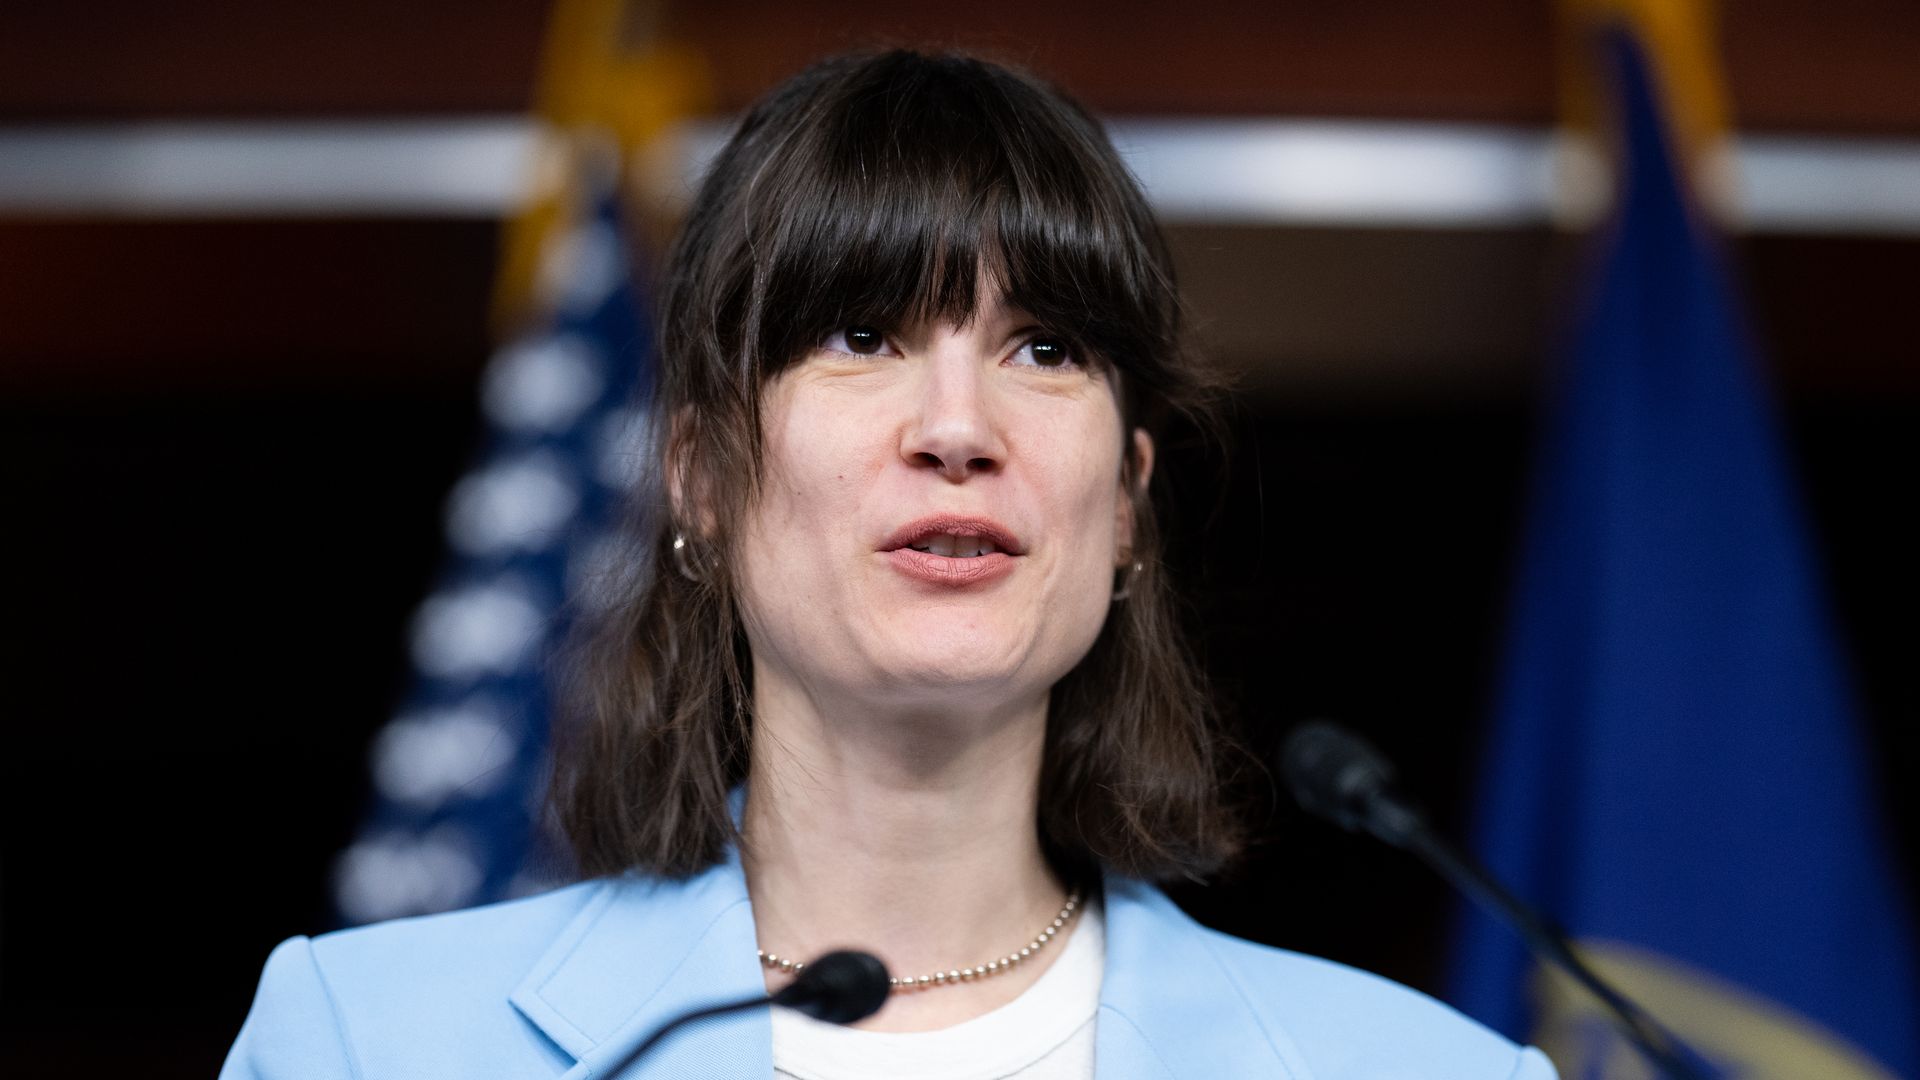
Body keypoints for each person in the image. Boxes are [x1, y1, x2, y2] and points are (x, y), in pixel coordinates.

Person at [222, 50, 1557, 1079]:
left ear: (1130, 505)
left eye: (1045, 348)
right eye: (862, 335)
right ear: (699, 475)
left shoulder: (1439, 1071)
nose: (959, 430)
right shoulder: (368, 1042)